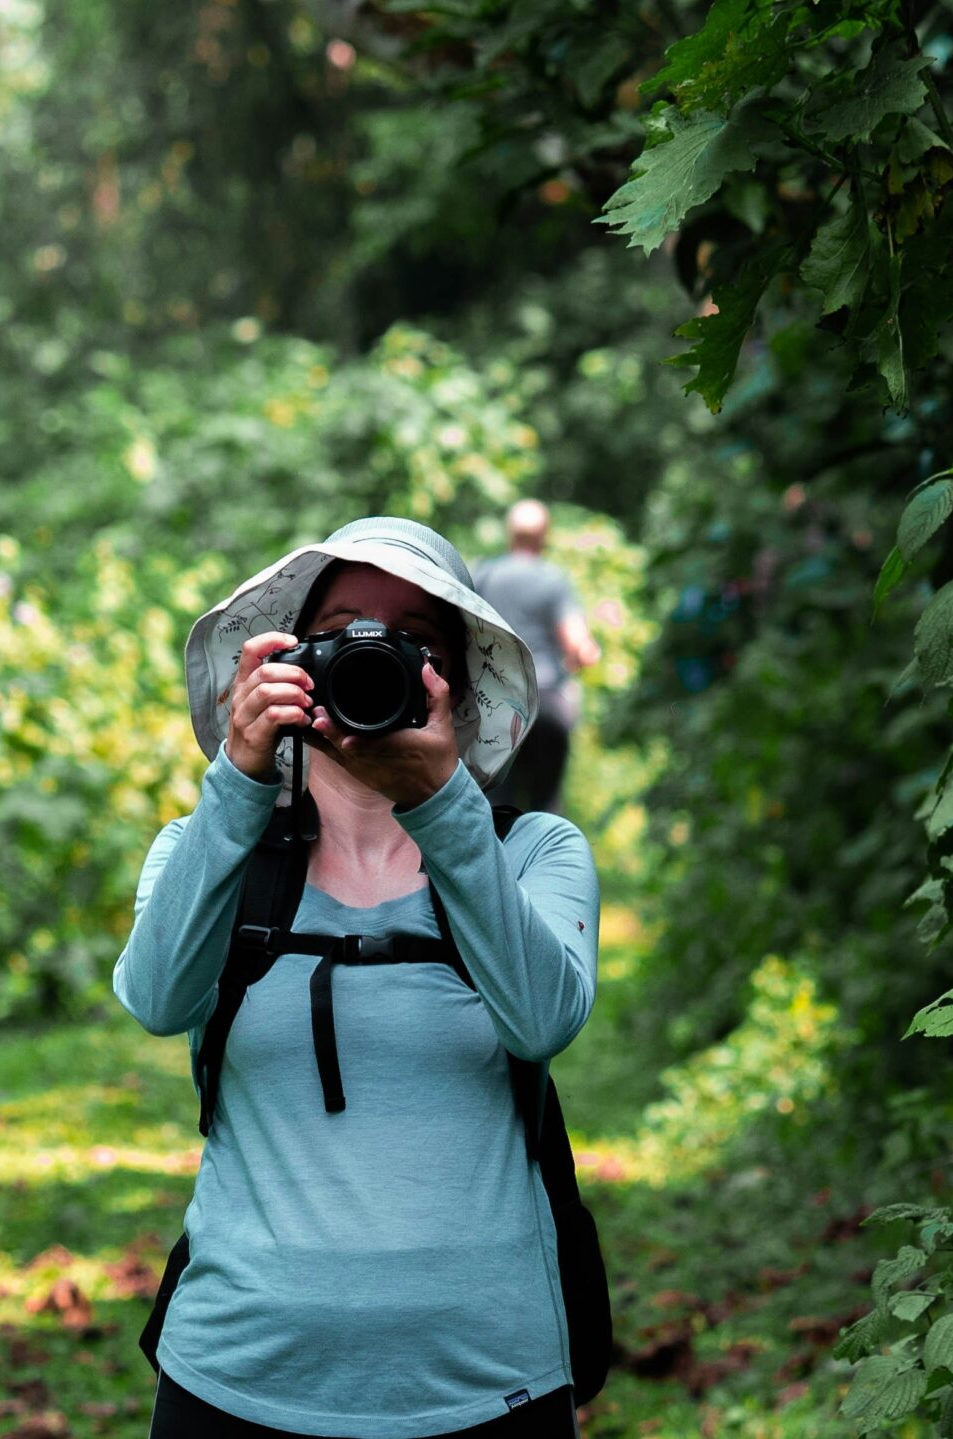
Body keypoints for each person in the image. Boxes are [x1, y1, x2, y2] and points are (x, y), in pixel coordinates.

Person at [113, 516, 601, 1439]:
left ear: (457, 686)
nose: (373, 655)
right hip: (235, 1374)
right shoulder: (207, 851)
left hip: (489, 1378)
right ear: (290, 664)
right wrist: (237, 782)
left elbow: (542, 1019)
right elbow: (155, 998)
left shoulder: (534, 850)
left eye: (414, 641)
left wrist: (442, 803)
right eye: (340, 630)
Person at [470, 501, 599, 816]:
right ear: (545, 536)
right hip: (546, 704)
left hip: (496, 707)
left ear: (510, 535)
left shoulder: (484, 575)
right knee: (544, 807)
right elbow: (578, 646)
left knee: (498, 805)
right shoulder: (554, 580)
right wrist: (585, 656)